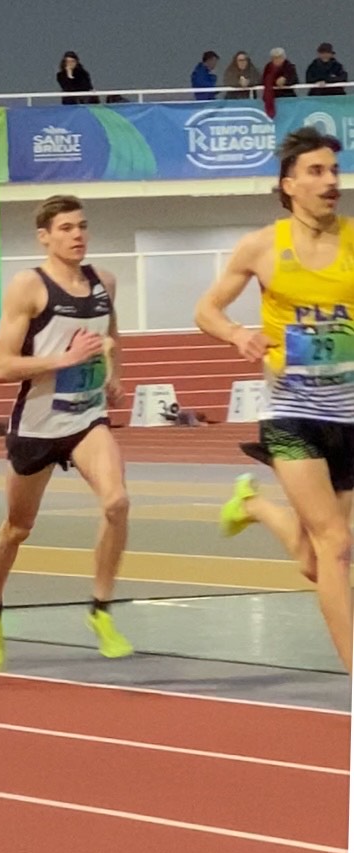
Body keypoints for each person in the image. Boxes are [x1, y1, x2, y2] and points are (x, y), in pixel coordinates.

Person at [194, 127, 353, 674]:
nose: (331, 181)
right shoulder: (262, 246)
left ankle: (254, 506)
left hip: (349, 416)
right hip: (292, 413)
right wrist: (237, 334)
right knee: (335, 545)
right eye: (316, 171)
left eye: (334, 170)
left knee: (317, 561)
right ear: (289, 184)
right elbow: (206, 310)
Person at [0, 194, 132, 671]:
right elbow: (2, 366)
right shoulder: (28, 287)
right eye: (66, 228)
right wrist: (63, 360)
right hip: (39, 425)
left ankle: (101, 609)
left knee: (117, 502)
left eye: (82, 226)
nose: (78, 234)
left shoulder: (104, 281)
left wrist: (113, 373)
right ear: (44, 236)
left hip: (86, 419)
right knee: (17, 528)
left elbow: (112, 335)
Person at [262, 48, 299, 118]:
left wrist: (285, 80)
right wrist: (275, 82)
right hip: (272, 98)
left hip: (287, 98)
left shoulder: (289, 66)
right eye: (275, 58)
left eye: (279, 57)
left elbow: (295, 80)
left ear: (284, 58)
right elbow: (263, 80)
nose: (277, 60)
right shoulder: (268, 68)